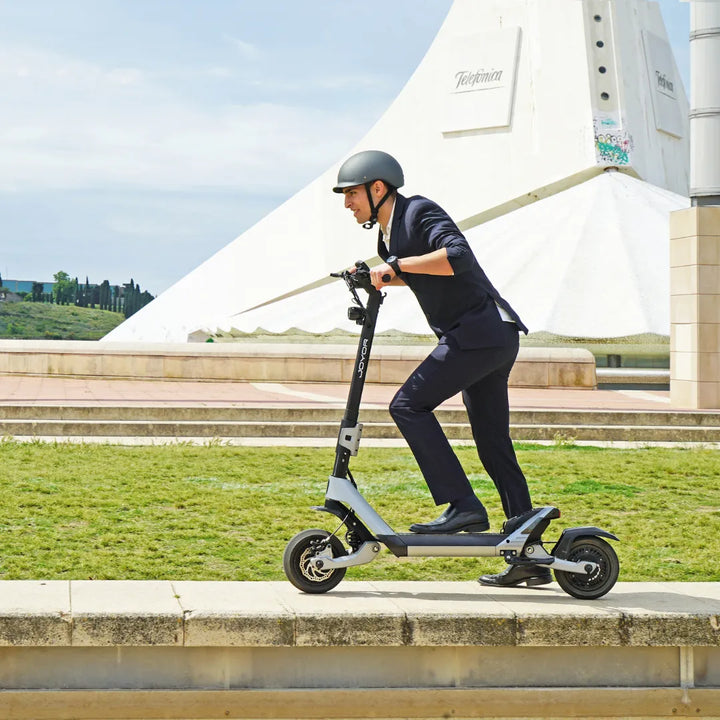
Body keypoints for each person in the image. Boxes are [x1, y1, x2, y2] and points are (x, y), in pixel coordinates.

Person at [333, 150, 551, 588]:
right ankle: (529, 552)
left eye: (352, 193)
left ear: (379, 188)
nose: (347, 203)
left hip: (479, 332)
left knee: (407, 406)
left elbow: (457, 256)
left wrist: (396, 267)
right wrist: (377, 274)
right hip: (489, 337)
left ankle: (462, 504)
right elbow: (415, 273)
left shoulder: (418, 211)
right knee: (492, 443)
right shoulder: (387, 240)